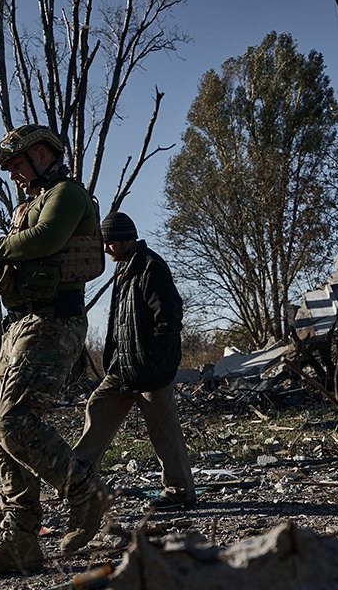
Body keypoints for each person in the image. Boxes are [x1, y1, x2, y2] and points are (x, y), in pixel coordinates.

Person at [0, 124, 110, 577]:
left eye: (18, 163)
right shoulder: (28, 205)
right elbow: (23, 250)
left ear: (43, 154)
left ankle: (84, 491)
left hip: (53, 322)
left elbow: (45, 241)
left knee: (15, 422)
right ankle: (20, 543)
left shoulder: (68, 194)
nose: (15, 174)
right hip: (21, 323)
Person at [72, 211, 196, 510]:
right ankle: (75, 481)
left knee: (164, 432)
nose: (105, 249)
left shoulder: (151, 267)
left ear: (124, 239)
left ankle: (180, 492)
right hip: (123, 369)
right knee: (97, 409)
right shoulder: (126, 268)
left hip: (150, 369)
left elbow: (169, 317)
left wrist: (156, 360)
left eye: (109, 243)